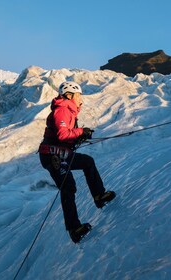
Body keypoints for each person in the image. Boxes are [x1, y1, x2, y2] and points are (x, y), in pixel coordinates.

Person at [39, 81, 116, 243]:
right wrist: (81, 132)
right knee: (68, 186)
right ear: (69, 95)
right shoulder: (62, 110)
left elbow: (64, 136)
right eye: (78, 95)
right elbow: (62, 135)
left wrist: (80, 135)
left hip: (58, 154)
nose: (81, 99)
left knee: (86, 164)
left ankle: (99, 197)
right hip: (53, 156)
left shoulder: (67, 110)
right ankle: (75, 228)